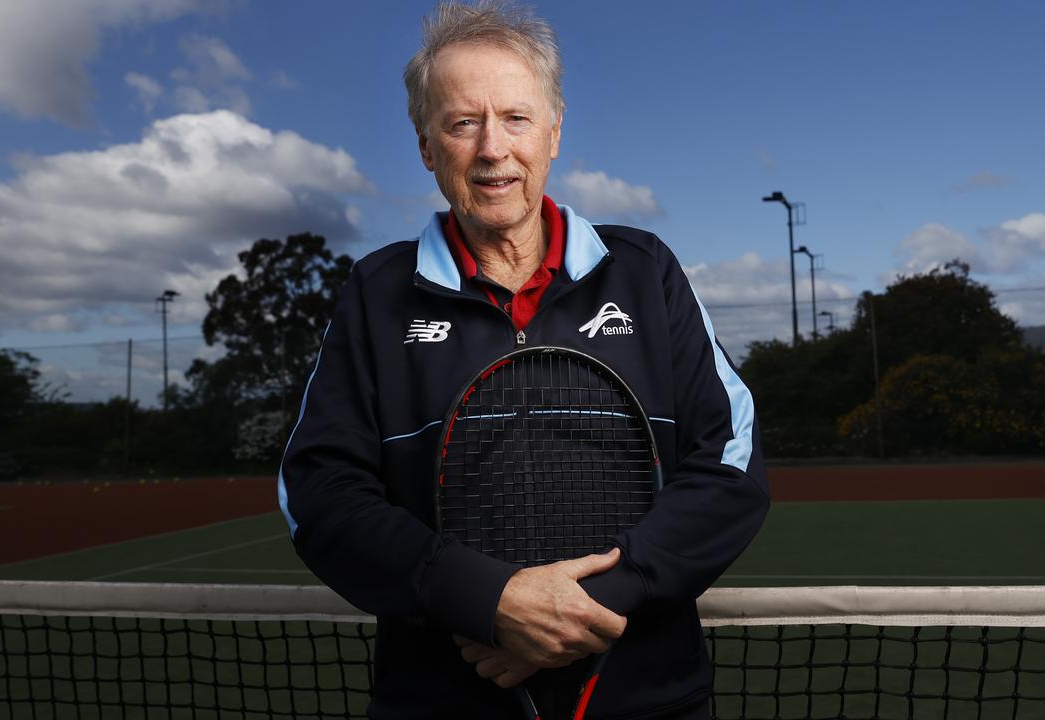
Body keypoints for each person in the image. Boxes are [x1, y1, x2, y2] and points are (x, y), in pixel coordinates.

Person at [278, 2, 769, 717]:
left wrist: (586, 606)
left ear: (554, 130)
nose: (491, 148)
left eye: (515, 117)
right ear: (425, 146)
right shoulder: (376, 294)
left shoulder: (646, 272)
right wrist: (485, 601)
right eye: (461, 122)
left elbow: (731, 463)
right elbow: (318, 493)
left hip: (649, 699)